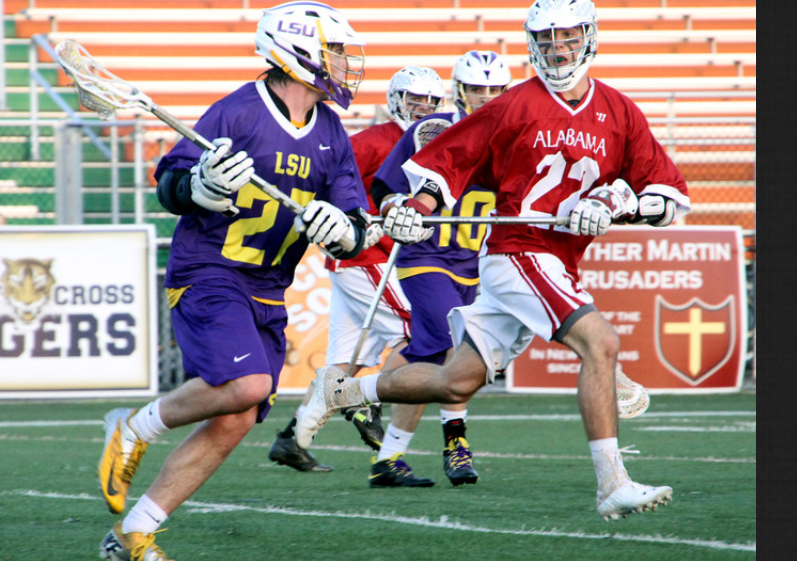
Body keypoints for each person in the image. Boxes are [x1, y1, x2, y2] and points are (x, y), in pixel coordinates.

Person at [295, 0, 690, 521]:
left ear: (589, 38)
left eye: (568, 38)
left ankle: (343, 388)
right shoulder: (516, 103)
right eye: (547, 40)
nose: (558, 49)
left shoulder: (618, 111)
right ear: (532, 44)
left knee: (454, 381)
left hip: (557, 261)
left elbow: (667, 195)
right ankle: (612, 483)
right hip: (520, 251)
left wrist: (621, 203)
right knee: (602, 342)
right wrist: (415, 208)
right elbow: (448, 162)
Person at [95, 1, 372, 561]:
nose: (345, 63)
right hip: (209, 272)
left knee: (239, 416)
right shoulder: (237, 112)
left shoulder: (331, 130)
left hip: (269, 289)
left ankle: (135, 532)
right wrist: (199, 185)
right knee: (247, 383)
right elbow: (168, 182)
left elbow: (355, 219)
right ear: (298, 52)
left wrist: (342, 230)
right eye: (336, 50)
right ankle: (134, 425)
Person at [268, 65, 446, 473]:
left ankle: (292, 438)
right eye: (414, 100)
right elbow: (326, 180)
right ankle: (363, 403)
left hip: (375, 259)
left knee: (344, 363)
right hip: (365, 256)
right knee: (423, 332)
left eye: (430, 102)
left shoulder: (432, 144)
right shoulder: (373, 141)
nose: (421, 109)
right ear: (395, 100)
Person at [362, 50, 512, 488]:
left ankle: (384, 451)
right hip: (426, 256)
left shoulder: (517, 132)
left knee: (426, 357)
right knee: (458, 347)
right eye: (477, 89)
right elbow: (386, 186)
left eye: (494, 89)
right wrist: (395, 208)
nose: (485, 97)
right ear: (459, 90)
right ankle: (456, 444)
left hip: (471, 261)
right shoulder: (432, 129)